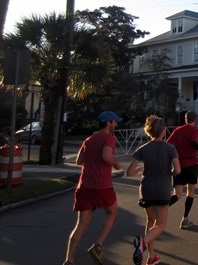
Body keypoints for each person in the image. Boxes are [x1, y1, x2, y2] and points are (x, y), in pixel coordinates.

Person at [63, 111, 123, 265]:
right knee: (112, 213)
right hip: (102, 186)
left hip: (84, 186)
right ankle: (98, 245)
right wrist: (116, 163)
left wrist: (92, 161)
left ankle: (69, 259)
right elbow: (106, 157)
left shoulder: (89, 139)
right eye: (114, 122)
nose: (116, 124)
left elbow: (78, 161)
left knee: (81, 224)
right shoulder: (109, 138)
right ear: (108, 123)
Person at [127, 116, 181, 265]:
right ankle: (142, 243)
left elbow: (130, 172)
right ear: (163, 131)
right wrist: (169, 172)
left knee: (151, 222)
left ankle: (151, 257)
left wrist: (143, 167)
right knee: (161, 225)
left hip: (146, 189)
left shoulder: (142, 149)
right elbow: (178, 169)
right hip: (162, 189)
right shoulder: (170, 148)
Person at [166, 110, 198, 229]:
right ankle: (185, 219)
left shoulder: (177, 130)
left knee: (177, 195)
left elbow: (168, 144)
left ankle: (161, 208)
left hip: (179, 164)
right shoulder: (194, 130)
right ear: (195, 120)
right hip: (191, 163)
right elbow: (193, 143)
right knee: (191, 191)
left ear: (185, 119)